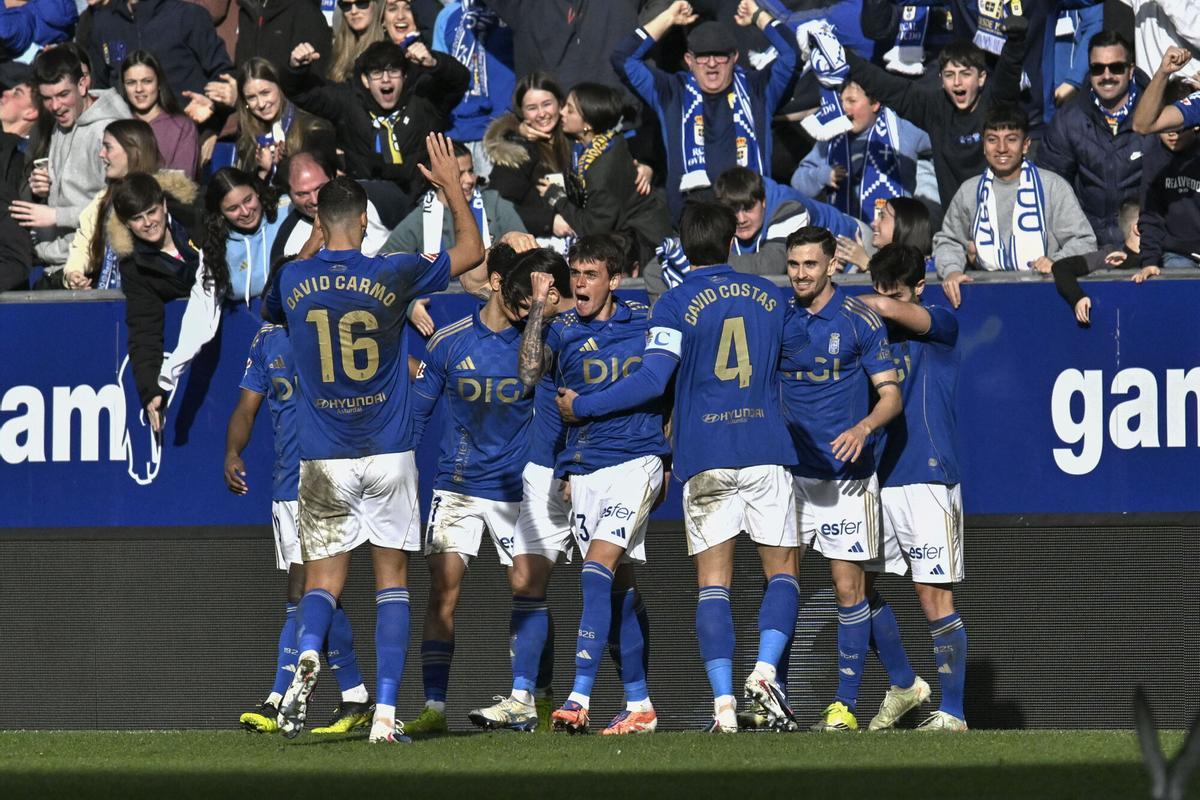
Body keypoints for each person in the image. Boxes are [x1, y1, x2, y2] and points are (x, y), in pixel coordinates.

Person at [264, 133, 484, 744]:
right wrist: (450, 188)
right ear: (364, 222)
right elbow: (472, 249)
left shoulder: (289, 282)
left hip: (323, 457)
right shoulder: (392, 271)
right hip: (387, 451)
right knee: (392, 584)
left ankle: (309, 650)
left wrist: (313, 236)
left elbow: (285, 289)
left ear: (319, 218)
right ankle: (384, 718)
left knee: (323, 583)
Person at [555, 202, 802, 734]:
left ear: (685, 247)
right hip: (765, 446)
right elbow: (797, 359)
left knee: (714, 585)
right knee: (782, 573)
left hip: (706, 452)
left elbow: (651, 382)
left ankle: (724, 710)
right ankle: (764, 672)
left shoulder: (672, 304)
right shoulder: (771, 297)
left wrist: (584, 406)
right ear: (732, 239)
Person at [402, 248, 564, 736]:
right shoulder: (449, 343)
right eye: (519, 296)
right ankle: (434, 707)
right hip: (458, 486)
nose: (524, 307)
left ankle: (536, 697)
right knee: (442, 593)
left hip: (518, 488)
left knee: (527, 589)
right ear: (496, 283)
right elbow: (416, 415)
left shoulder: (541, 343)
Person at [518, 236, 668, 736]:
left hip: (637, 460)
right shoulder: (560, 329)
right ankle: (641, 706)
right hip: (585, 468)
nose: (580, 284)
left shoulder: (646, 322)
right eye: (575, 274)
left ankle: (579, 695)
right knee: (618, 585)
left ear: (614, 279)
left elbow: (666, 388)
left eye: (590, 275)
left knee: (595, 567)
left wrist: (669, 459)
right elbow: (528, 373)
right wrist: (539, 307)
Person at [776, 225, 902, 733]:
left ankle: (844, 706)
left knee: (848, 588)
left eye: (810, 264)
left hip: (848, 476)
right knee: (781, 584)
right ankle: (774, 699)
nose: (801, 274)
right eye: (793, 264)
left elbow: (890, 396)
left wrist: (864, 426)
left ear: (832, 265)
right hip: (789, 476)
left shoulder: (859, 320)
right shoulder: (777, 318)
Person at [224, 311, 373, 737]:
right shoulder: (266, 340)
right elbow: (245, 409)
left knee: (304, 587)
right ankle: (356, 695)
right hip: (286, 485)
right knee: (315, 593)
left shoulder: (332, 330)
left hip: (327, 478)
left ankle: (278, 697)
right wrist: (233, 452)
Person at [855, 242, 970, 733]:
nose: (886, 305)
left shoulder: (939, 324)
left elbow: (886, 308)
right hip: (879, 476)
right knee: (854, 587)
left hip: (927, 475)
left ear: (918, 290)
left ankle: (954, 712)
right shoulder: (868, 341)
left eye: (897, 294)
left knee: (932, 598)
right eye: (881, 293)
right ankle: (905, 684)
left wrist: (867, 301)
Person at [465, 246, 575, 734]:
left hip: (591, 469)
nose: (523, 302)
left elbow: (529, 374)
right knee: (527, 584)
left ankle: (634, 698)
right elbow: (528, 370)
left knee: (615, 587)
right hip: (541, 472)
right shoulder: (543, 327)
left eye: (533, 291)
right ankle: (526, 696)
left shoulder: (580, 325)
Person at [612, 0, 799, 220]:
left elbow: (791, 54)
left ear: (734, 58)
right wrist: (668, 18)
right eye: (702, 56)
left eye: (720, 55)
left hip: (747, 218)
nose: (711, 64)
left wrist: (758, 16)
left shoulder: (759, 90)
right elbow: (623, 58)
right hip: (693, 225)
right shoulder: (671, 92)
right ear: (689, 60)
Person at [845, 17, 1028, 209]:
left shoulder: (995, 104)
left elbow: (1008, 76)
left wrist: (1016, 42)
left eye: (965, 74)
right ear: (941, 79)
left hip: (1004, 214)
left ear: (981, 78)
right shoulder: (935, 109)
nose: (957, 82)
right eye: (950, 75)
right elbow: (885, 86)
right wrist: (842, 57)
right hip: (957, 223)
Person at [283, 39, 469, 220]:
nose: (386, 79)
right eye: (377, 73)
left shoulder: (424, 100)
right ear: (365, 80)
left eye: (393, 71)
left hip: (423, 204)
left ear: (404, 76)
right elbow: (301, 93)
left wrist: (435, 62)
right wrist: (296, 69)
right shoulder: (348, 103)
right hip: (369, 208)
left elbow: (459, 80)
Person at [932, 105, 1096, 308]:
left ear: (1026, 144)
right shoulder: (969, 191)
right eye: (992, 140)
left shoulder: (1053, 187)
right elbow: (949, 240)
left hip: (1046, 297)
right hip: (987, 301)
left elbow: (1084, 241)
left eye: (1011, 139)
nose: (1001, 148)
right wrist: (952, 270)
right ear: (983, 145)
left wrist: (1056, 262)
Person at [9, 46, 130, 285]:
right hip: (52, 265)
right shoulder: (61, 122)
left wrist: (56, 215)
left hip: (88, 270)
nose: (55, 106)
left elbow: (120, 206)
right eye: (47, 98)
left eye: (63, 94)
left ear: (83, 84)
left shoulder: (109, 132)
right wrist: (40, 189)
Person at [109, 171, 218, 433]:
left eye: (152, 212)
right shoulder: (135, 265)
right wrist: (151, 391)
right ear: (127, 223)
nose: (148, 223)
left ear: (164, 205)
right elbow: (144, 328)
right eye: (137, 218)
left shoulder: (197, 215)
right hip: (201, 346)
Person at [537, 82, 670, 266]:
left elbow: (591, 227)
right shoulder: (603, 141)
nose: (562, 113)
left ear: (588, 124)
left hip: (645, 246)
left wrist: (557, 198)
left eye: (570, 110)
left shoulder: (602, 172)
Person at [1037, 31, 1146, 248]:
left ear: (1130, 70)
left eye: (1116, 67)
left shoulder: (1156, 114)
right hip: (1087, 243)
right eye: (1098, 68)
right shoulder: (1068, 119)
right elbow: (1049, 187)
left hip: (1146, 242)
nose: (1107, 76)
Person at [790, 80, 931, 224]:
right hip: (844, 236)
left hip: (894, 237)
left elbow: (945, 138)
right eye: (841, 101)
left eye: (852, 101)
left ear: (875, 104)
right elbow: (797, 183)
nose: (844, 108)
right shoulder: (831, 135)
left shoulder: (901, 129)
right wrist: (823, 175)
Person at [61, 119, 166, 289]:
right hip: (108, 296)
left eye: (108, 147)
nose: (101, 154)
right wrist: (74, 273)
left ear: (134, 151)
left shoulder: (162, 196)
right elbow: (84, 243)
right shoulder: (103, 198)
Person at [381, 141, 525, 254]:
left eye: (471, 171)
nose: (469, 179)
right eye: (459, 174)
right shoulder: (420, 219)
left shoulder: (494, 205)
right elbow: (385, 265)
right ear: (436, 179)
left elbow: (528, 252)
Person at [483, 71, 573, 242]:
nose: (541, 114)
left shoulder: (575, 139)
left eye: (547, 104)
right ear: (522, 113)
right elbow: (498, 206)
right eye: (532, 108)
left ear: (560, 103)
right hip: (538, 243)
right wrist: (548, 221)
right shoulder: (516, 151)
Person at [85, 0, 234, 100]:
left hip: (188, 132)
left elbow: (224, 76)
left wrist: (212, 111)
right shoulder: (104, 23)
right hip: (130, 137)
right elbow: (100, 88)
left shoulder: (188, 15)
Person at [432, 0, 514, 176]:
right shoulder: (448, 15)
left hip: (501, 131)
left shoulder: (514, 11)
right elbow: (439, 77)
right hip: (457, 132)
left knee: (498, 201)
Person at [229, 58, 335, 182]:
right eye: (251, 97)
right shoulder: (246, 138)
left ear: (280, 88)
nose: (261, 103)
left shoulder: (314, 130)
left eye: (265, 93)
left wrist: (275, 169)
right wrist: (262, 173)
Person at [273, 149, 390, 261]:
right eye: (302, 194)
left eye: (319, 188)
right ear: (289, 195)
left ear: (333, 177)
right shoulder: (286, 242)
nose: (314, 200)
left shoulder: (372, 196)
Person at [203, 166, 289, 305]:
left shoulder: (286, 212)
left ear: (256, 191)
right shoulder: (216, 244)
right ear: (220, 214)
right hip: (247, 321)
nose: (245, 212)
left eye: (248, 200)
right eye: (233, 208)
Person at [1051, 200, 1142, 325]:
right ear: (1138, 228)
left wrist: (1128, 261)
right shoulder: (1109, 256)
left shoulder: (1163, 257)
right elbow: (1061, 267)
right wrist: (1077, 298)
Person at [117, 50, 197, 178]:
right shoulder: (117, 125)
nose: (139, 89)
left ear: (159, 83)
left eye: (147, 81)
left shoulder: (182, 126)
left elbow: (182, 184)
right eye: (131, 83)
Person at [834, 196, 933, 274]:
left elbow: (900, 290)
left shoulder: (929, 269)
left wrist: (865, 263)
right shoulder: (881, 264)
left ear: (904, 225)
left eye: (882, 216)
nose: (873, 223)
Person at [235, 0, 331, 76]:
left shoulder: (306, 11)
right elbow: (241, 67)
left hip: (288, 98)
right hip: (248, 97)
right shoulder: (247, 10)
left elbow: (314, 82)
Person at [327, 0, 385, 83]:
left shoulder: (386, 50)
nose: (353, 11)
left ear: (376, 5)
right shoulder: (337, 50)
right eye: (346, 5)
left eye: (361, 3)